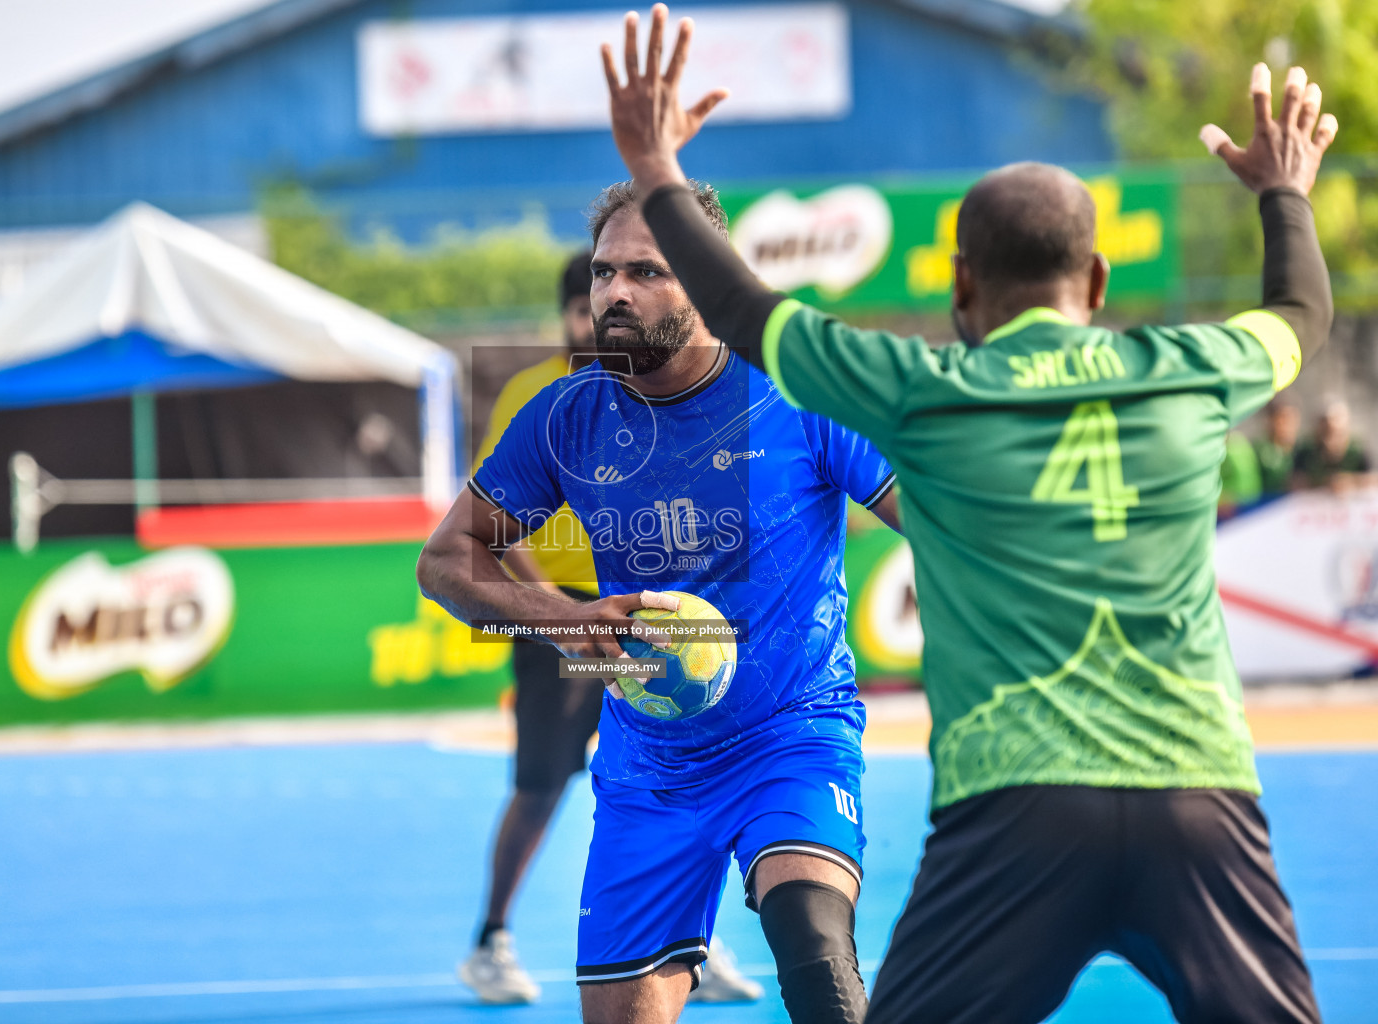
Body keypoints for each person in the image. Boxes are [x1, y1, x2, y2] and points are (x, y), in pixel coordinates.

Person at [600, 8, 1333, 1021]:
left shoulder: (922, 390)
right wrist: (1284, 194)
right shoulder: (1195, 373)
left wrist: (655, 165)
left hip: (1013, 806)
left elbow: (741, 311)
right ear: (1099, 281)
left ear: (961, 285)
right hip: (1196, 792)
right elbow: (1300, 316)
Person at [417, 182, 897, 1021]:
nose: (614, 293)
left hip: (792, 735)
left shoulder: (800, 393)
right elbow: (444, 563)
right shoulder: (565, 415)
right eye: (604, 274)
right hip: (648, 769)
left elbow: (937, 520)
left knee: (814, 950)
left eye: (645, 270)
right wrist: (564, 620)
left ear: (707, 285)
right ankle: (494, 933)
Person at [457, 251, 761, 1004]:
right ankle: (491, 938)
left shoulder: (669, 392)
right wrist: (559, 615)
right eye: (581, 296)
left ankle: (691, 937)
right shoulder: (542, 396)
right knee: (545, 781)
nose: (589, 310)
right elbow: (495, 525)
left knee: (679, 769)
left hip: (653, 626)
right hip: (571, 630)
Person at [1291, 398, 1371, 492]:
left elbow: (1371, 480)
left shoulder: (1357, 450)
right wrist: (1324, 483)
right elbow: (1294, 482)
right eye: (1325, 428)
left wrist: (1349, 482)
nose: (1329, 429)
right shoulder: (1306, 451)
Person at [1255, 398, 1301, 497]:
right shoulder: (1260, 452)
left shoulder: (1303, 452)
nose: (1286, 425)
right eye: (1282, 419)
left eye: (1291, 419)